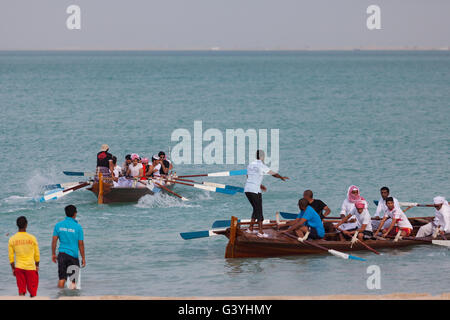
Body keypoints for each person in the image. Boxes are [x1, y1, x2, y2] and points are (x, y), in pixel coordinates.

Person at [244, 150, 289, 237]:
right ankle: (260, 232)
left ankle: (250, 228)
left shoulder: (250, 165)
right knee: (259, 210)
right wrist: (281, 177)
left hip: (247, 189)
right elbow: (273, 173)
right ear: (262, 157)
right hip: (255, 190)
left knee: (255, 209)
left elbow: (248, 176)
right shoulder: (261, 165)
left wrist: (260, 185)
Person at [52, 205, 86, 289]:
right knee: (73, 280)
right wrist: (83, 258)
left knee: (61, 278)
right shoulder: (78, 227)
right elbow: (80, 243)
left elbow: (54, 241)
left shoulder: (58, 225)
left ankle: (59, 295)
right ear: (75, 214)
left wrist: (53, 254)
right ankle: (72, 297)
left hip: (62, 255)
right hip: (73, 256)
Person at [8, 216, 40, 297]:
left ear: (17, 225)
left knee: (21, 290)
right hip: (30, 267)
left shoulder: (12, 239)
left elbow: (11, 257)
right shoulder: (32, 238)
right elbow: (37, 255)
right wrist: (37, 266)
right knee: (33, 292)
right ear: (26, 225)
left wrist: (13, 268)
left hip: (19, 267)